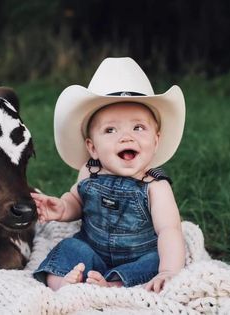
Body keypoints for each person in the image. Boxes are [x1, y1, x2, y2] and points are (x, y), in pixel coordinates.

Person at [32, 57, 186, 293]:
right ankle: (62, 284)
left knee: (157, 260)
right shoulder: (89, 170)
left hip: (137, 257)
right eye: (110, 130)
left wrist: (168, 271)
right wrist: (62, 208)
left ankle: (113, 284)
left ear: (156, 141)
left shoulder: (155, 186)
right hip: (92, 252)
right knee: (68, 248)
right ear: (92, 147)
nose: (126, 137)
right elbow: (77, 200)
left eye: (138, 128)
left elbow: (169, 230)